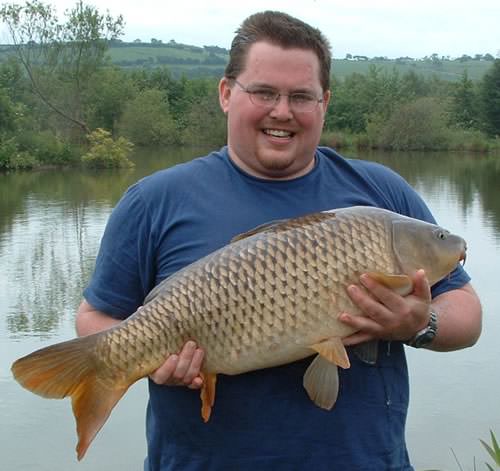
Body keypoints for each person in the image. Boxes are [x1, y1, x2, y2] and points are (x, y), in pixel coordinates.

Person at [76, 10, 482, 471]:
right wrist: (147, 356)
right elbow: (97, 315)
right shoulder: (153, 201)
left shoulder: (381, 195)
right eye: (264, 92)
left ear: (324, 102)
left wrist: (419, 323)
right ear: (227, 93)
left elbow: (467, 313)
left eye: (301, 96)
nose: (282, 111)